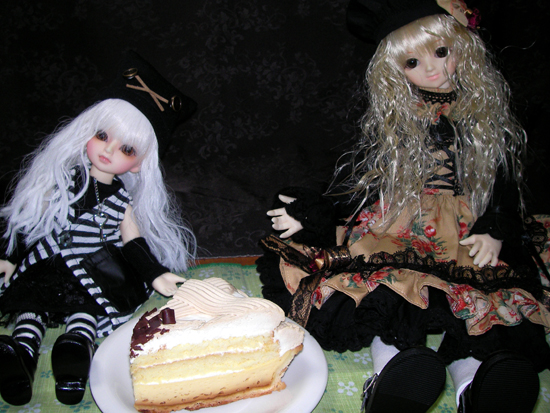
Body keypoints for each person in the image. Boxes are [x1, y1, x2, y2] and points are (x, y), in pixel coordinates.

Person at [257, 1, 550, 412]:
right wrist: (313, 212)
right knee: (390, 295)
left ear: (464, 47)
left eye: (442, 52)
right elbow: (359, 181)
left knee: (475, 306)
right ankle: (391, 381)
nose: (431, 69)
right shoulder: (396, 118)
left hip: (465, 227)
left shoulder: (482, 113)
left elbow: (502, 180)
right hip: (399, 221)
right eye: (413, 62)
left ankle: (474, 388)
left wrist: (495, 227)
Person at [0, 50, 197, 406]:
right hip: (46, 264)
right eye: (103, 135)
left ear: (138, 165)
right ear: (85, 133)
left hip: (94, 269)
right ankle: (20, 358)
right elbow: (30, 221)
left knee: (86, 312)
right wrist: (10, 257)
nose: (108, 150)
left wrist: (155, 273)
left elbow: (133, 242)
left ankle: (75, 358)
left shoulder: (122, 201)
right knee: (31, 309)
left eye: (127, 148)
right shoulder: (60, 183)